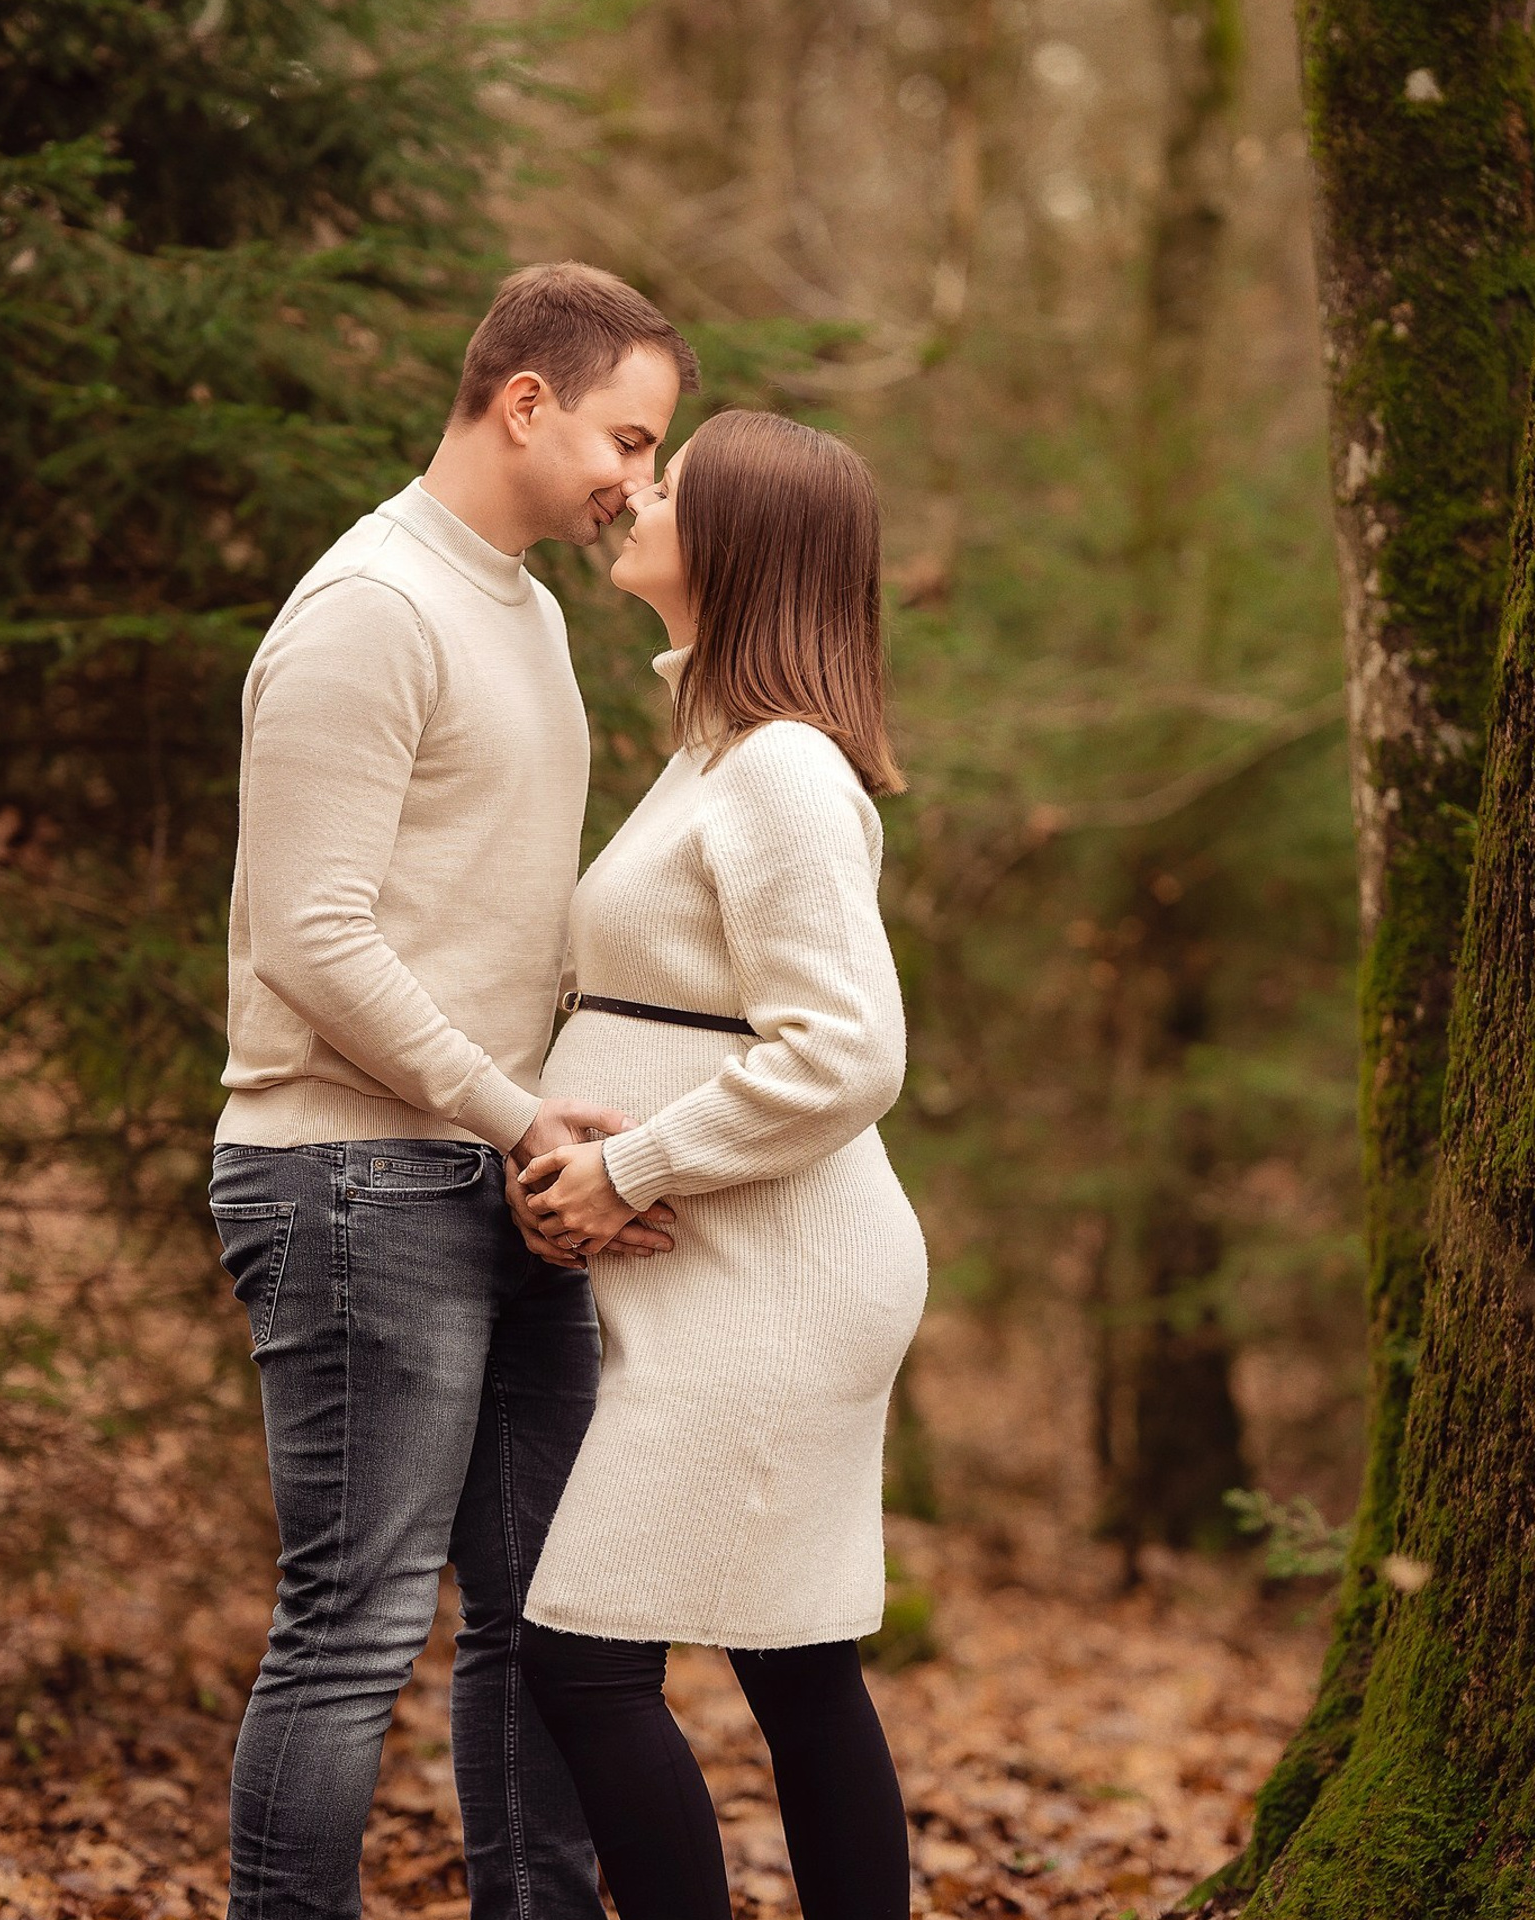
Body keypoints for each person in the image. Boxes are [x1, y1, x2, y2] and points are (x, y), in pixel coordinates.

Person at [207, 262, 698, 1920]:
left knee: (547, 1613)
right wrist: (510, 1111)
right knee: (354, 1624)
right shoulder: (369, 608)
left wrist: (561, 1133)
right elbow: (308, 936)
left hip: (499, 1173)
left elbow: (513, 928)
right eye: (627, 436)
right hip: (349, 1174)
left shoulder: (533, 612)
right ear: (525, 400)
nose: (640, 478)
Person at [508, 409, 928, 1920]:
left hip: (781, 1285)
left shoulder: (781, 776)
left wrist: (637, 1168)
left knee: (582, 1658)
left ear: (739, 543)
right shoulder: (713, 758)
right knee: (795, 1660)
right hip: (732, 1273)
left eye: (669, 485)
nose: (637, 492)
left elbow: (846, 1050)